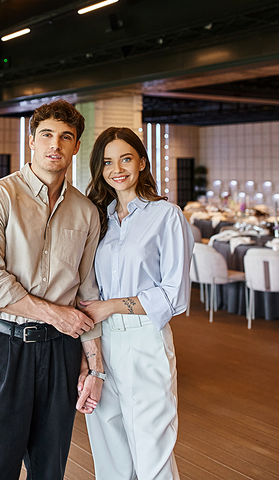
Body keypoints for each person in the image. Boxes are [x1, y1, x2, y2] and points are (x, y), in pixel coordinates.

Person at [0, 99, 105, 480]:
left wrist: (96, 367)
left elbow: (87, 291)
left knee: (49, 469)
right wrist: (55, 314)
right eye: (46, 135)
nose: (55, 145)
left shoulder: (87, 212)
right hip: (3, 347)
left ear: (76, 147)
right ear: (32, 141)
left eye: (65, 137)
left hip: (61, 354)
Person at [80, 127, 193, 480]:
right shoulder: (99, 219)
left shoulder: (167, 216)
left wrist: (110, 306)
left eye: (126, 158)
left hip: (145, 341)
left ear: (142, 162)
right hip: (102, 343)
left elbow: (174, 295)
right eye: (108, 162)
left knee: (152, 453)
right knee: (109, 454)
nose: (118, 168)